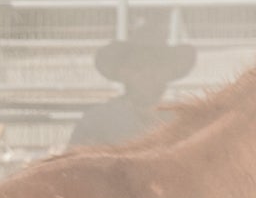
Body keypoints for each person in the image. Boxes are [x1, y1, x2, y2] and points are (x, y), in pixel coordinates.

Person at [67, 21, 198, 149]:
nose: (148, 74)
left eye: (156, 66)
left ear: (168, 72)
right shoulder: (97, 121)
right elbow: (73, 166)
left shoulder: (181, 122)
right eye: (138, 66)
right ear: (123, 72)